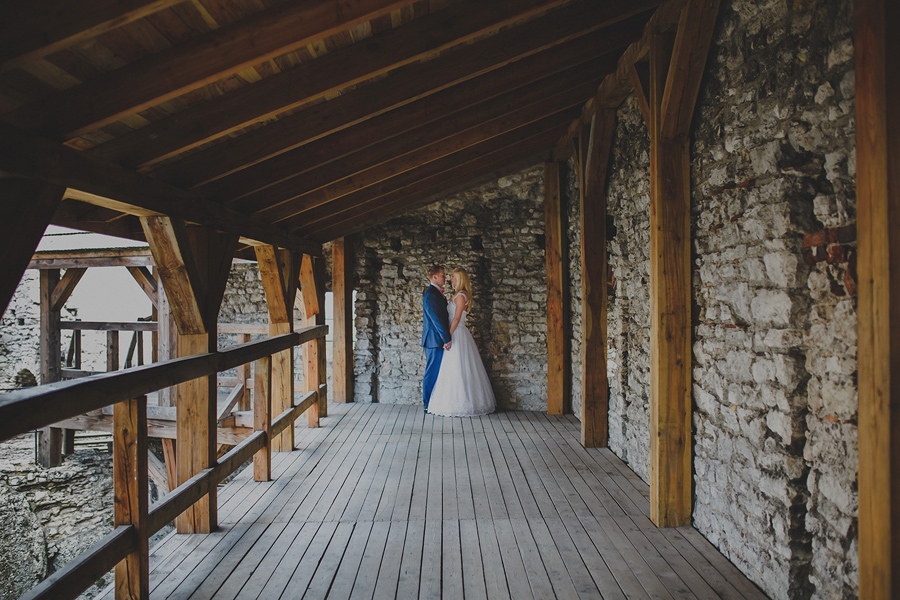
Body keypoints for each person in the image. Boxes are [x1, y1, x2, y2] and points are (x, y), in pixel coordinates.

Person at [427, 268, 496, 417]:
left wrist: (448, 337)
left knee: (459, 367)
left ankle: (462, 403)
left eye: (453, 276)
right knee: (454, 367)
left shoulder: (461, 295)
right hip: (457, 332)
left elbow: (457, 318)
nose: (450, 279)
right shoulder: (459, 295)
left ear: (460, 279)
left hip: (457, 333)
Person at [421, 265, 452, 412]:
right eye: (443, 275)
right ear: (434, 277)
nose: (445, 278)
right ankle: (427, 404)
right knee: (432, 373)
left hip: (437, 339)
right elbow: (436, 320)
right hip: (434, 340)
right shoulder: (431, 295)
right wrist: (446, 338)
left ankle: (435, 402)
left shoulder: (436, 294)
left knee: (439, 373)